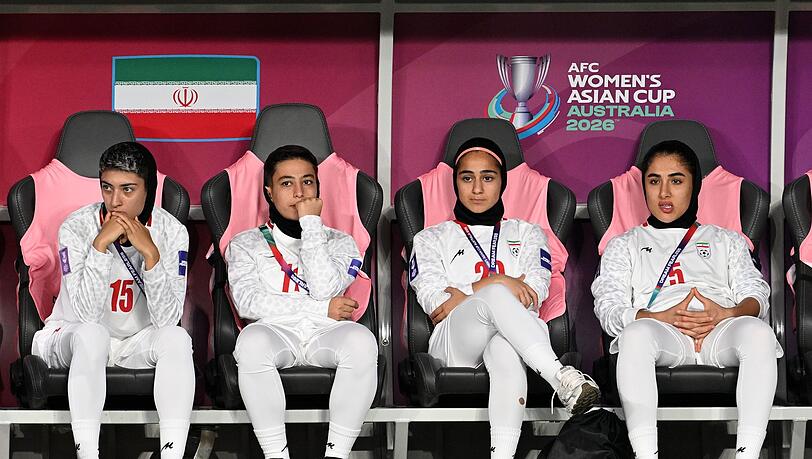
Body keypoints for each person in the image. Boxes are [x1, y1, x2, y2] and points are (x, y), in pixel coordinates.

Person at [409, 138, 600, 459]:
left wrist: (466, 292)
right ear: (455, 182)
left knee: (504, 346)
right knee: (498, 296)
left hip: (516, 337)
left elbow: (535, 293)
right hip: (454, 343)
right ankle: (560, 377)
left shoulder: (529, 233)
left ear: (503, 182)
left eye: (488, 177)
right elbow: (436, 304)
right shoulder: (430, 238)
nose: (477, 188)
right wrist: (498, 282)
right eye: (467, 178)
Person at [592, 140, 781, 459]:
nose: (664, 193)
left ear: (695, 186)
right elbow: (608, 310)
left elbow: (757, 294)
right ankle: (645, 455)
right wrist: (655, 318)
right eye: (654, 181)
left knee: (759, 333)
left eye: (676, 181)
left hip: (720, 333)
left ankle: (746, 455)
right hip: (663, 335)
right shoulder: (624, 244)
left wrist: (728, 312)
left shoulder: (725, 240)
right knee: (634, 335)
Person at [31, 142, 194, 458]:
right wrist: (100, 246)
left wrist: (151, 255)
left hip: (135, 342)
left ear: (149, 190)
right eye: (107, 188)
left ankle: (172, 452)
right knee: (93, 334)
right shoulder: (76, 226)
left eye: (128, 190)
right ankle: (87, 453)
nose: (115, 201)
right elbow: (86, 314)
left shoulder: (172, 231)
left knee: (176, 337)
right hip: (71, 335)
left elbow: (166, 319)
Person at [226, 145, 378, 459]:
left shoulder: (342, 242)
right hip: (276, 333)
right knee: (251, 341)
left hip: (326, 334)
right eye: (286, 183)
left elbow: (324, 288)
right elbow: (248, 303)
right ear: (269, 191)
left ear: (318, 189)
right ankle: (276, 455)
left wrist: (311, 225)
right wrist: (319, 308)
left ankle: (337, 454)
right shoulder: (245, 243)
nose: (298, 192)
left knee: (363, 341)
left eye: (307, 182)